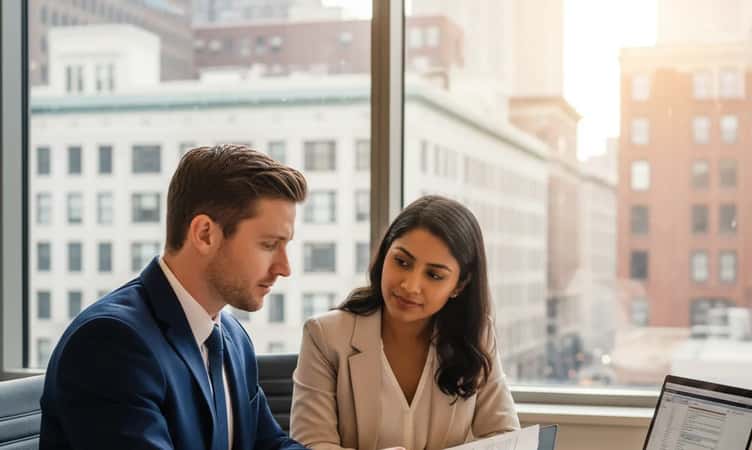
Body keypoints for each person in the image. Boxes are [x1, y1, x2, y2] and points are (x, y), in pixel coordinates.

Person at [40, 144, 309, 450]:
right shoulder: (111, 343)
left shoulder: (232, 337)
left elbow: (270, 446)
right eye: (269, 244)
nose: (284, 268)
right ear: (205, 234)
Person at [290, 195, 520, 450]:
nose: (410, 286)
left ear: (459, 285)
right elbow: (311, 444)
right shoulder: (325, 336)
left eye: (434, 275)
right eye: (402, 262)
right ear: (384, 253)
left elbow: (506, 437)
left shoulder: (477, 336)